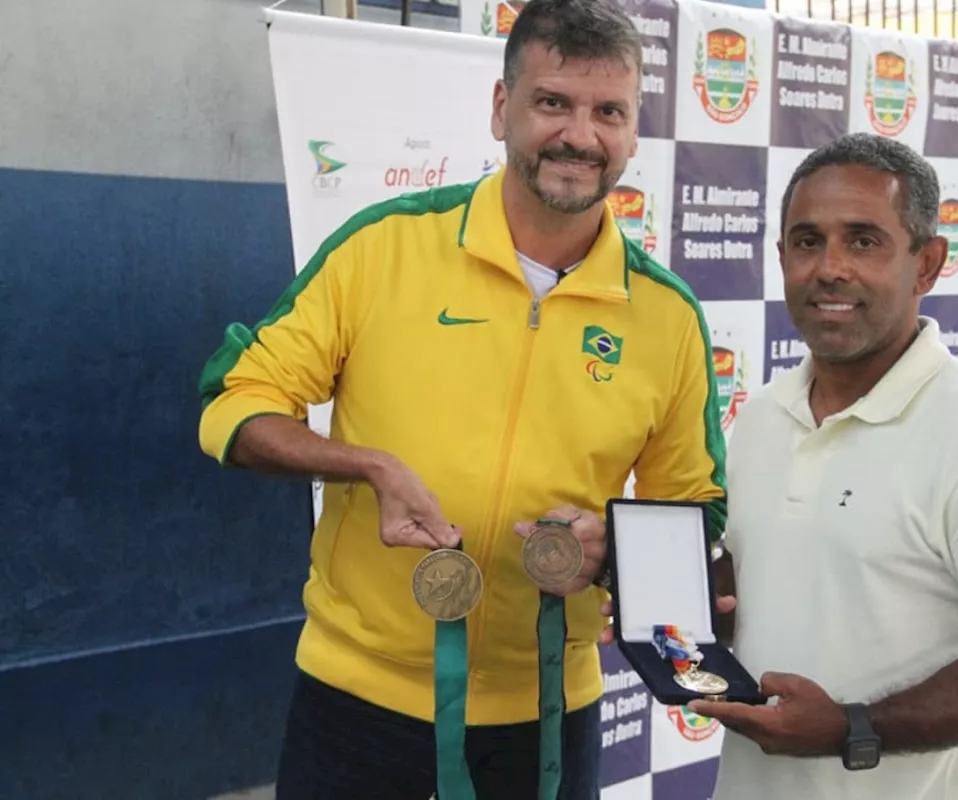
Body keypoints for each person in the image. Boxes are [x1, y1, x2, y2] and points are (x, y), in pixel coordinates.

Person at [195, 0, 727, 796]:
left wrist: (612, 549)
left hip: (549, 712)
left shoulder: (668, 315)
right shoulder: (384, 246)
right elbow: (234, 405)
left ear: (632, 131)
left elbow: (696, 511)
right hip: (358, 696)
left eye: (608, 111)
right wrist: (363, 464)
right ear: (500, 108)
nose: (580, 135)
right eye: (553, 102)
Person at [685, 133, 958, 799]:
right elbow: (782, 601)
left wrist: (851, 728)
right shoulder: (759, 418)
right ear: (781, 257)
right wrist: (675, 611)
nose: (830, 267)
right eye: (808, 241)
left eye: (863, 240)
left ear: (927, 263)